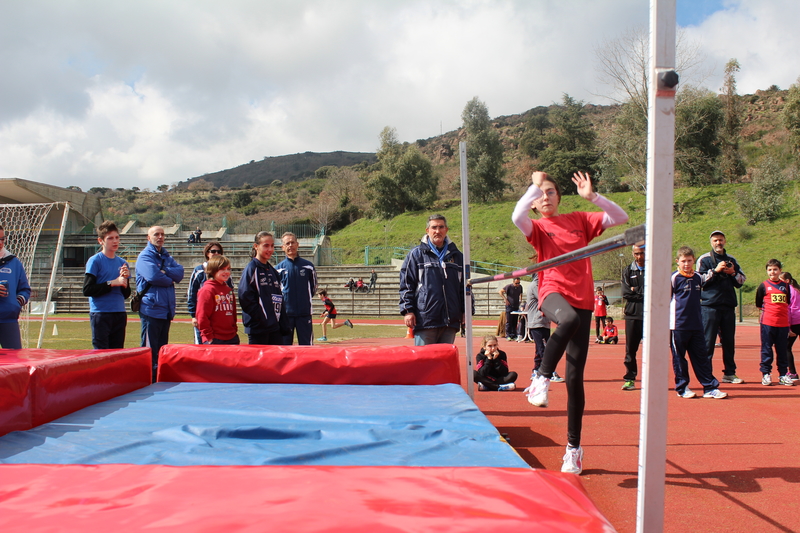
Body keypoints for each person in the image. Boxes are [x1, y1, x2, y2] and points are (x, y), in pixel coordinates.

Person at [512, 170, 628, 475]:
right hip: (552, 291)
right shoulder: (536, 227)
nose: (545, 198)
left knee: (575, 379)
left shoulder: (579, 219)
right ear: (534, 204)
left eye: (550, 192)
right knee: (567, 320)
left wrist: (593, 198)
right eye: (540, 195)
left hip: (583, 298)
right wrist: (532, 187)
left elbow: (620, 217)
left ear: (559, 197)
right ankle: (541, 377)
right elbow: (515, 216)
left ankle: (573, 450)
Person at [670, 246, 728, 400]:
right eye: (683, 261)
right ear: (677, 262)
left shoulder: (697, 277)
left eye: (689, 261)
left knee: (701, 357)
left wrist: (717, 270)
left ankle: (709, 387)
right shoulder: (674, 278)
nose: (686, 264)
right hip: (678, 326)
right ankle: (682, 388)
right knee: (679, 358)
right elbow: (665, 301)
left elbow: (709, 276)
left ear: (693, 261)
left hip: (696, 325)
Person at [399, 214, 466, 346]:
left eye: (441, 227)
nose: (437, 231)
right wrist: (408, 311)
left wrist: (466, 311)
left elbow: (464, 286)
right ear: (427, 230)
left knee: (444, 363)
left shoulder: (457, 256)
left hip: (450, 320)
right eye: (434, 227)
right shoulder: (416, 255)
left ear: (446, 230)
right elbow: (406, 285)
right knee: (424, 363)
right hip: (425, 320)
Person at [136, 226, 184, 381]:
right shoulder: (144, 257)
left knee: (163, 349)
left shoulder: (166, 256)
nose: (160, 237)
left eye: (162, 234)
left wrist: (166, 272)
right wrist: (170, 277)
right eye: (156, 234)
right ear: (148, 238)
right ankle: (147, 380)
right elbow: (154, 277)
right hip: (151, 309)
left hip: (165, 310)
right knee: (150, 350)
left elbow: (180, 273)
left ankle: (159, 378)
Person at [698, 230, 746, 384]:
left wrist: (732, 273)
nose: (718, 243)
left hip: (728, 307)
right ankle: (706, 374)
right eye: (715, 240)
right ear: (711, 242)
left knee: (729, 342)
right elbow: (699, 281)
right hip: (709, 307)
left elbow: (741, 281)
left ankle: (730, 373)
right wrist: (715, 271)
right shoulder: (704, 259)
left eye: (721, 240)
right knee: (708, 342)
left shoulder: (732, 260)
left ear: (725, 241)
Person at [83, 221, 131, 349]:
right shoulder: (95, 261)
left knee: (117, 352)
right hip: (101, 313)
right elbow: (87, 289)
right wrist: (112, 283)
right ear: (101, 241)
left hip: (119, 312)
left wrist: (125, 281)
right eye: (110, 238)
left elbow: (126, 294)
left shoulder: (123, 262)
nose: (115, 241)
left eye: (117, 237)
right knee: (101, 353)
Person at [238, 231, 288, 345]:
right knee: (259, 363)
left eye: (272, 246)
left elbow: (279, 299)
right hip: (259, 329)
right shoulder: (251, 269)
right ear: (256, 246)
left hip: (274, 328)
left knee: (276, 362)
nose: (270, 249)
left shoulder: (273, 271)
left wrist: (282, 322)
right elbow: (245, 297)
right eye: (266, 245)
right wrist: (261, 319)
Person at [755, 259, 793, 386]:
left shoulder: (786, 286)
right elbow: (759, 303)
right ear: (767, 271)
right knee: (767, 349)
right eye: (770, 270)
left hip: (783, 324)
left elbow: (787, 302)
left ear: (780, 271)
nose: (773, 272)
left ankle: (783, 374)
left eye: (775, 269)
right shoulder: (763, 286)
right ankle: (766, 374)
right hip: (768, 323)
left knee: (782, 350)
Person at [276, 232, 317, 345]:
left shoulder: (308, 266)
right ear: (282, 247)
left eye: (292, 242)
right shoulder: (278, 269)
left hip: (304, 313)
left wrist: (303, 299)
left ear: (297, 244)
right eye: (287, 243)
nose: (290, 245)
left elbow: (313, 288)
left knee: (307, 347)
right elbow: (277, 292)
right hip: (286, 315)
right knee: (284, 346)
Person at [187, 242, 232, 344]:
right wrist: (193, 315)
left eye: (219, 251)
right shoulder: (199, 271)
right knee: (203, 347)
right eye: (213, 251)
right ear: (207, 253)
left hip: (220, 318)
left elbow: (230, 293)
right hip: (203, 316)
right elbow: (191, 294)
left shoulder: (225, 273)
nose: (216, 253)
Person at [523, 272, 563, 383]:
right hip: (537, 322)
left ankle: (536, 370)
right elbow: (544, 298)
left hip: (544, 322)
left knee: (539, 349)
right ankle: (549, 372)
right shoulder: (535, 285)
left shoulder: (541, 285)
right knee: (544, 349)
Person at [0, 225, 31, 349]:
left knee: (15, 361)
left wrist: (15, 303)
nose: (0, 243)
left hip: (8, 320)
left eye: (2, 239)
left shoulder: (13, 262)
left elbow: (25, 289)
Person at [196, 254, 239, 345]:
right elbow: (202, 316)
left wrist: (234, 330)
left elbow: (233, 313)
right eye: (223, 269)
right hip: (215, 338)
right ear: (213, 270)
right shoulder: (207, 290)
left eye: (228, 269)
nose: (226, 272)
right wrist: (208, 337)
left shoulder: (228, 290)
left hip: (231, 337)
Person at [621, 245, 645, 391]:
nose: (639, 257)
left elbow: (657, 290)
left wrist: (635, 289)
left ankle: (653, 379)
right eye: (636, 254)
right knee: (631, 350)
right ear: (632, 254)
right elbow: (625, 293)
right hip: (632, 315)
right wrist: (643, 291)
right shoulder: (628, 270)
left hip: (651, 315)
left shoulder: (653, 269)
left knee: (653, 350)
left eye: (642, 253)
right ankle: (630, 378)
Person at [780, 272, 800, 381]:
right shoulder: (798, 289)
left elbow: (789, 309)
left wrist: (788, 327)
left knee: (786, 347)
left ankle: (793, 373)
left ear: (787, 281)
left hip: (795, 321)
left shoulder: (788, 291)